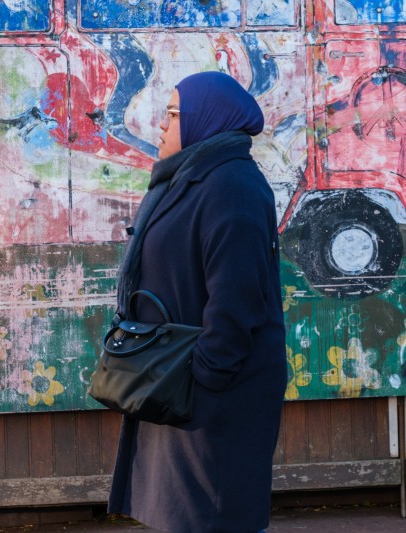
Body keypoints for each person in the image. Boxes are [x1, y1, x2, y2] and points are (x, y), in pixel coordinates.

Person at [107, 71, 287, 533]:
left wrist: (204, 376)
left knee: (211, 517)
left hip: (212, 395)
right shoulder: (191, 178)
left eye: (173, 114)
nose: (162, 126)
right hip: (179, 385)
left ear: (206, 118)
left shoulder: (232, 186)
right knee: (184, 517)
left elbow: (236, 299)